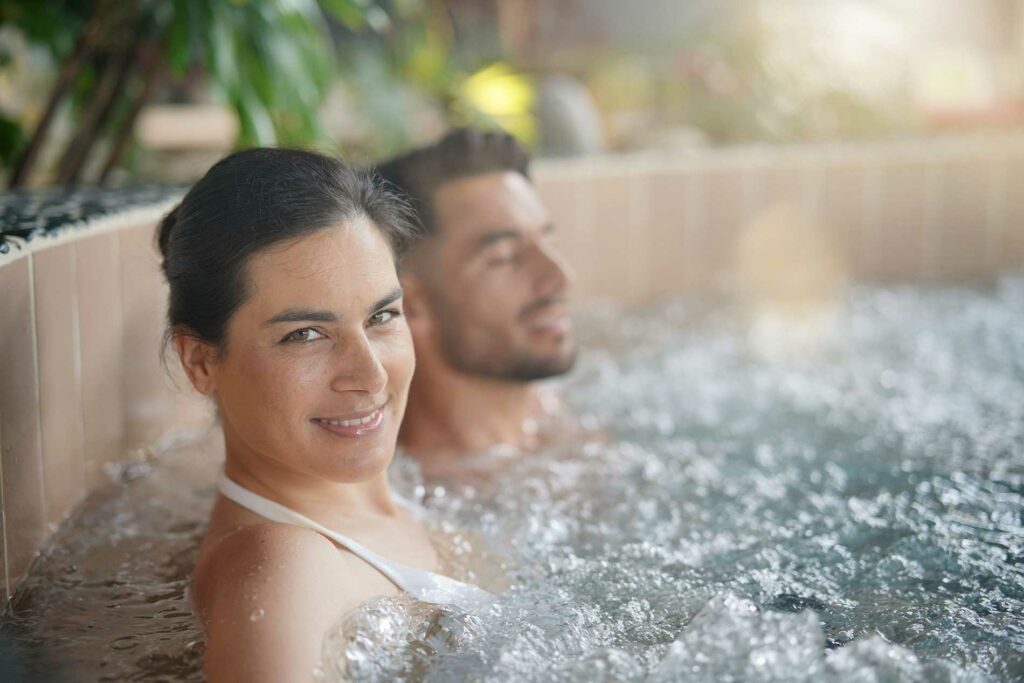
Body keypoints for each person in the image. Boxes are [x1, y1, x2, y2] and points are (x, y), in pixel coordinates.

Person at [158, 148, 489, 682]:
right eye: (305, 335)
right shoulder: (284, 569)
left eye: (382, 315)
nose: (371, 375)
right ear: (200, 361)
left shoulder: (367, 506)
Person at [375, 128, 579, 475]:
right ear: (412, 302)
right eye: (504, 256)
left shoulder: (564, 428)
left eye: (546, 240)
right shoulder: (415, 501)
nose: (560, 278)